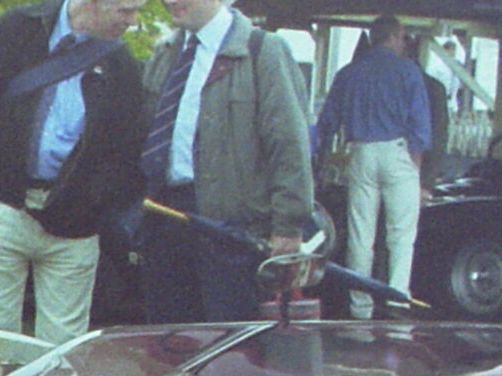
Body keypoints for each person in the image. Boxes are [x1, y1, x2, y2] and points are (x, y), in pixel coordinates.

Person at [0, 0, 144, 347]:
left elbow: (125, 150)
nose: (133, 21)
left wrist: (93, 205)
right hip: (2, 203)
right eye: (126, 10)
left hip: (75, 222)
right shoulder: (18, 28)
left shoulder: (121, 64)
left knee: (63, 348)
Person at [137, 0, 313, 322]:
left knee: (230, 341)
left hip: (232, 232)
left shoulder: (263, 51)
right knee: (167, 339)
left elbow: (289, 145)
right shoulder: (166, 53)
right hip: (165, 219)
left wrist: (288, 227)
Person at [315, 13, 432, 314]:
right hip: (398, 153)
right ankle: (397, 301)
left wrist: (321, 165)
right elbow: (420, 126)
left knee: (360, 236)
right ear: (392, 37)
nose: (405, 43)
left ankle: (360, 308)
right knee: (401, 236)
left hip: (361, 152)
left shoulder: (349, 73)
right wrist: (416, 170)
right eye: (403, 37)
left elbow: (326, 125)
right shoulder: (408, 71)